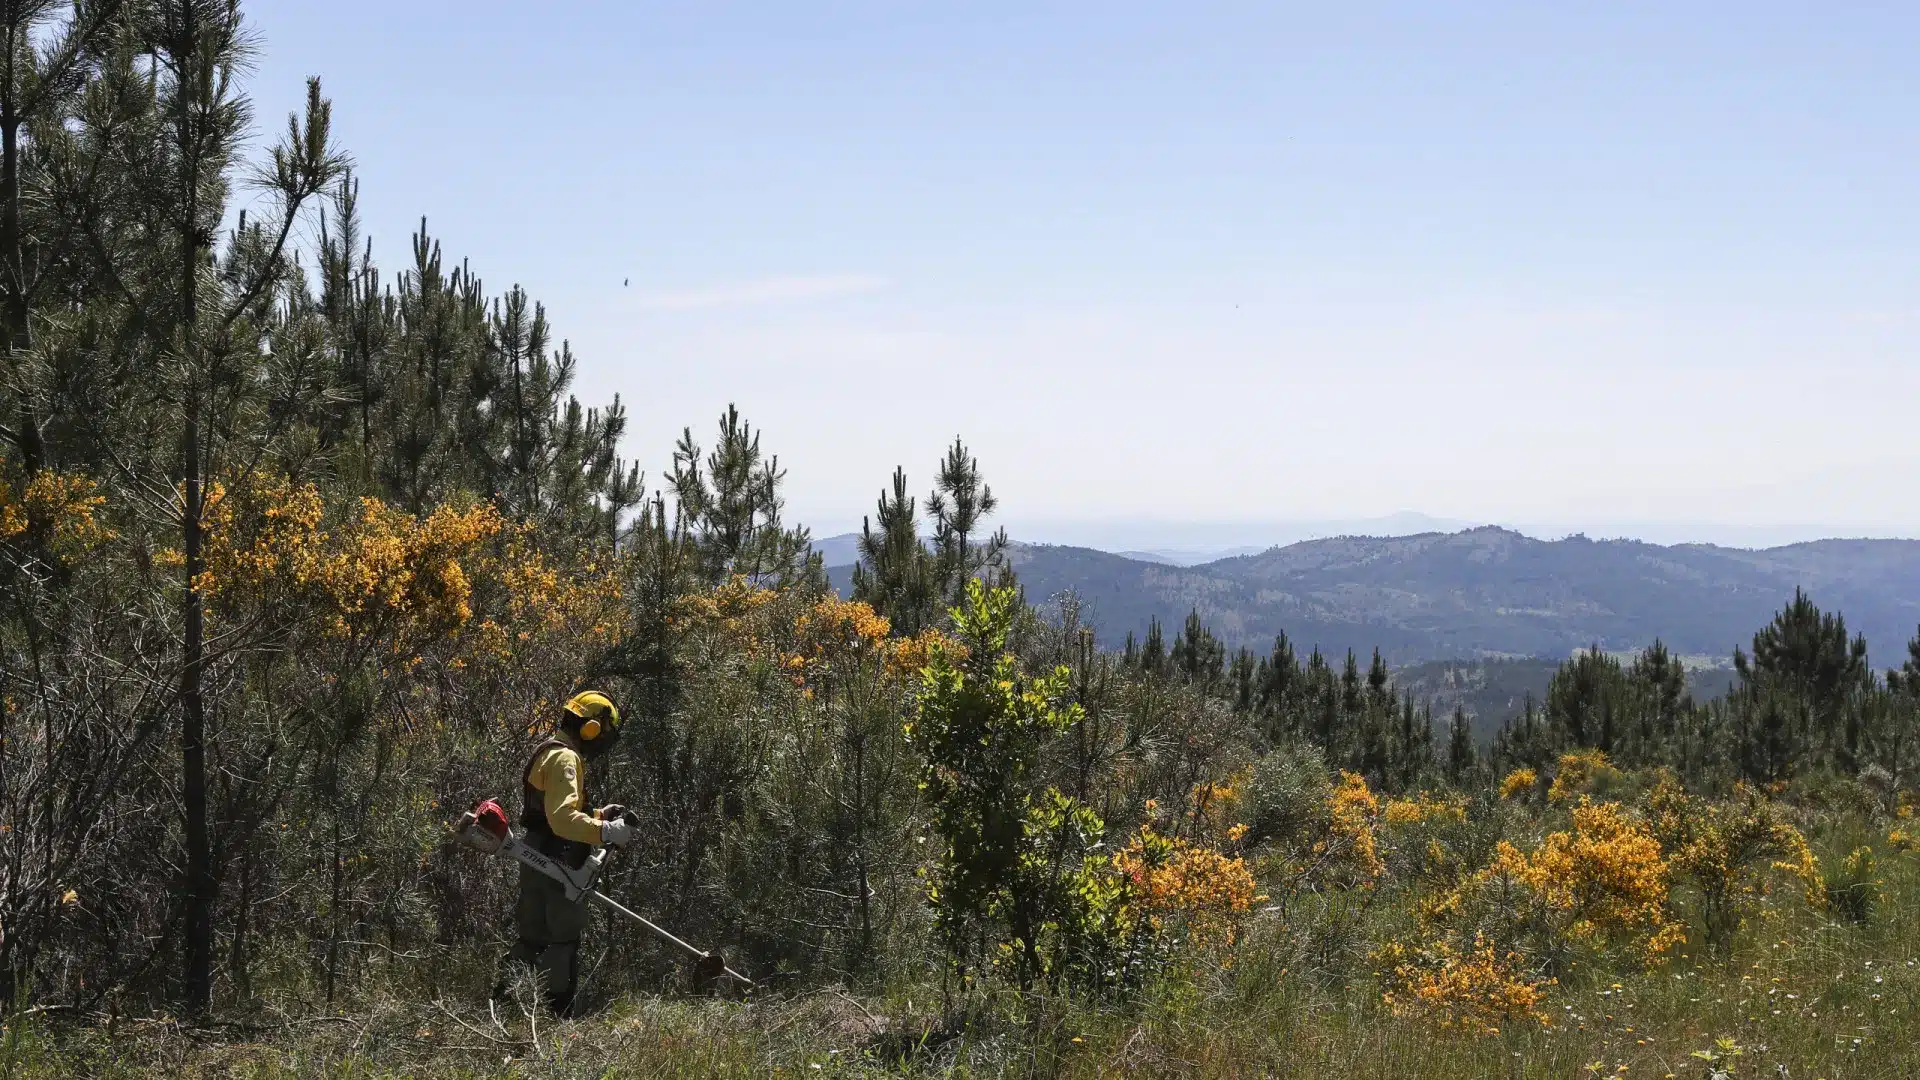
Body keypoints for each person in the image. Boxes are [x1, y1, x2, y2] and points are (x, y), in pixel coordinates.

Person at [494, 690, 633, 1016]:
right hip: (558, 860)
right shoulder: (567, 759)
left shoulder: (549, 750)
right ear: (591, 729)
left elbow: (550, 813)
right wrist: (606, 831)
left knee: (531, 936)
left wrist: (598, 815)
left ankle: (503, 1007)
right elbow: (563, 820)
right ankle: (557, 1017)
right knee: (562, 939)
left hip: (535, 854)